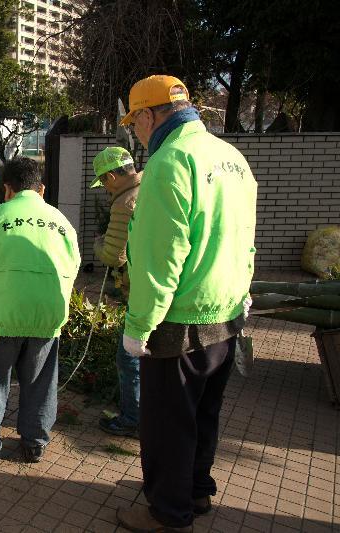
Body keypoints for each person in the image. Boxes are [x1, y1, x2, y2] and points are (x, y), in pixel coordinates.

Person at [115, 75, 257, 532]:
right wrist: (244, 291)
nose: (135, 132)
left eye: (133, 122)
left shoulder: (170, 161)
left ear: (148, 115)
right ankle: (196, 493)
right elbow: (245, 239)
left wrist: (139, 324)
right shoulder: (232, 158)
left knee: (167, 426)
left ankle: (167, 515)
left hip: (179, 320)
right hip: (227, 312)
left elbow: (161, 254)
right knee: (203, 414)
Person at [0, 157, 81, 465]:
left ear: (6, 190)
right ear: (40, 189)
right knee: (40, 383)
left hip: (1, 318)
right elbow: (73, 266)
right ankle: (35, 444)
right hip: (46, 317)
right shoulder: (61, 222)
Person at [90, 146, 142, 438]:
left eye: (104, 182)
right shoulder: (151, 183)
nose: (106, 190)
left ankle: (133, 417)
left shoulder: (125, 202)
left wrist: (99, 243)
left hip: (143, 291)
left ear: (111, 176)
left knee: (129, 356)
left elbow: (114, 256)